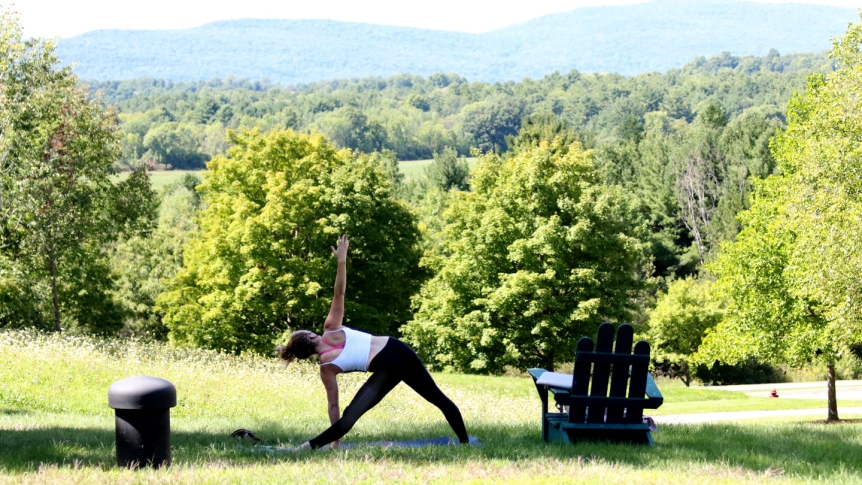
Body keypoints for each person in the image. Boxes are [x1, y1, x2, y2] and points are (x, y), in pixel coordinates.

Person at [275, 235, 469, 450]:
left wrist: (336, 438)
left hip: (392, 363)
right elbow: (339, 293)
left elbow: (333, 405)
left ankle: (306, 448)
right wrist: (341, 261)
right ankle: (465, 443)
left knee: (349, 417)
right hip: (396, 354)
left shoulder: (326, 368)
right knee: (439, 400)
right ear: (311, 337)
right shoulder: (330, 329)